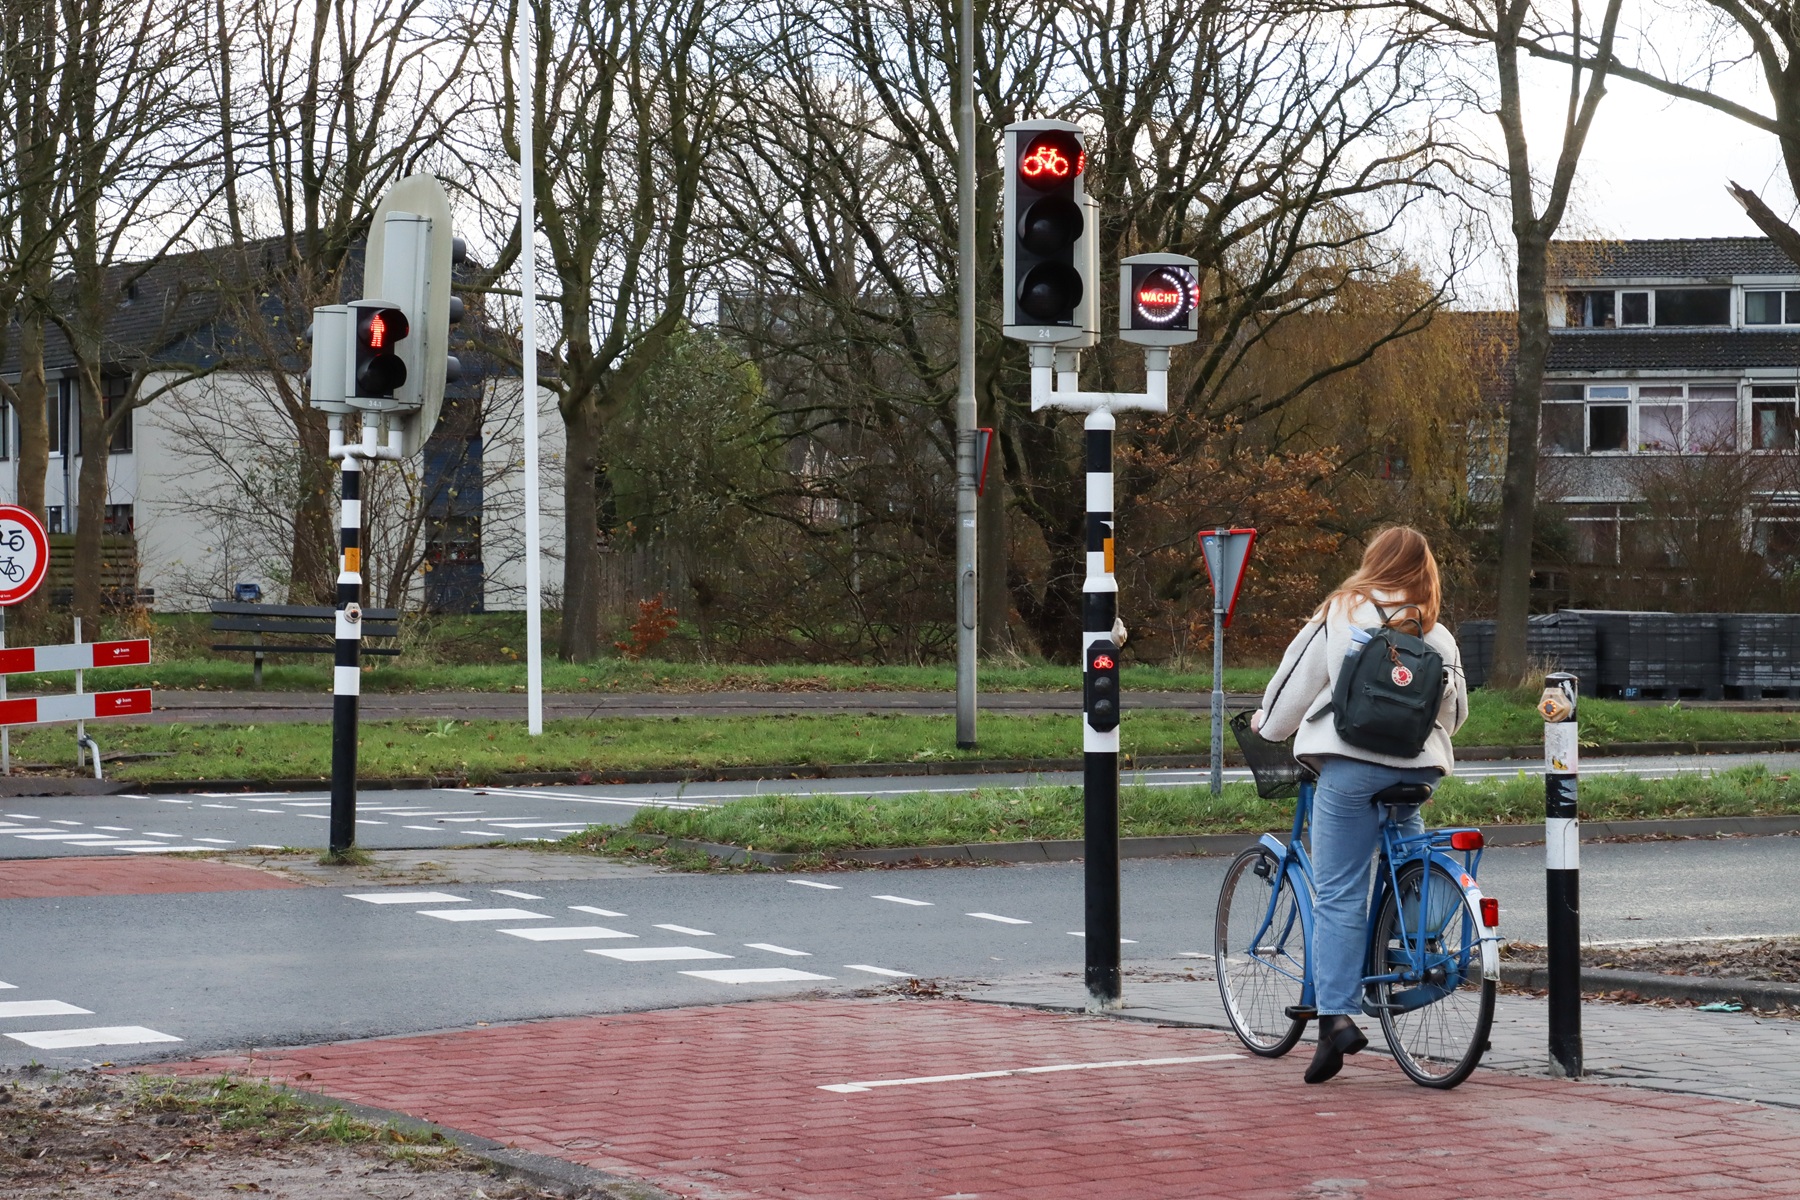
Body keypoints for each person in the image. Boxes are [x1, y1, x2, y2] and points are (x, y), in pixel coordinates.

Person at [1250, 526, 1468, 1084]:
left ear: (1374, 560)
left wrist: (1268, 726)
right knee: (1406, 860)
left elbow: (1295, 683)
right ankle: (1412, 946)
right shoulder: (1436, 630)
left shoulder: (1345, 609)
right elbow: (1455, 715)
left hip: (1349, 768)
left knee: (1341, 889)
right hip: (1417, 770)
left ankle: (1337, 1018)